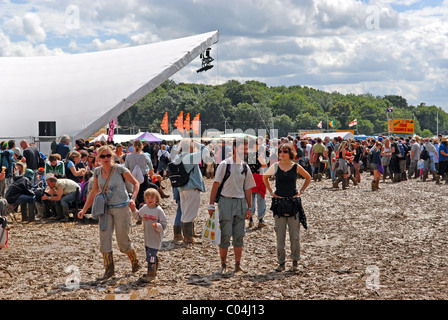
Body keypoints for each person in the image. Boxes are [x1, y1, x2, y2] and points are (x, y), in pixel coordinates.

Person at [78, 145, 141, 280]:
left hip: (121, 208)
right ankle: (109, 270)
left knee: (123, 240)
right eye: (103, 156)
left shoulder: (120, 169)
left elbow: (136, 183)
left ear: (113, 156)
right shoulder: (97, 172)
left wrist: (133, 199)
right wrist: (84, 209)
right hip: (105, 209)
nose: (106, 158)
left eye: (108, 156)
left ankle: (135, 262)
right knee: (104, 239)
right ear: (98, 158)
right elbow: (94, 191)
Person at [208, 138, 256, 274]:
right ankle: (223, 265)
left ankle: (237, 265)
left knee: (239, 236)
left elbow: (248, 188)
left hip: (241, 203)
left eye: (246, 149)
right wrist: (211, 205)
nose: (245, 151)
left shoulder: (245, 167)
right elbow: (216, 184)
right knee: (225, 235)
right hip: (226, 202)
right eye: (243, 148)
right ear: (235, 148)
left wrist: (250, 207)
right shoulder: (225, 164)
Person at [262, 142, 311, 272]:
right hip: (279, 204)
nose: (281, 154)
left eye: (284, 151)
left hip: (293, 204)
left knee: (295, 235)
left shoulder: (296, 167)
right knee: (280, 236)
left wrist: (301, 191)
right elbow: (265, 177)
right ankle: (281, 262)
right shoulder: (275, 166)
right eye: (280, 151)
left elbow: (308, 177)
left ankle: (295, 260)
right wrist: (271, 191)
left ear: (290, 154)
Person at [172, 139, 206, 243]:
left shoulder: (178, 157)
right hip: (191, 188)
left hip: (182, 188)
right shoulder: (189, 157)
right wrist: (198, 144)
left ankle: (187, 235)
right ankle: (188, 237)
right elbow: (205, 151)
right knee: (190, 213)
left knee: (185, 212)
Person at [132, 188, 167, 281]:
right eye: (147, 198)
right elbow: (137, 216)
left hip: (155, 237)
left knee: (151, 256)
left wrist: (158, 225)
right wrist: (133, 209)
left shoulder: (159, 210)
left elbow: (164, 224)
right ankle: (153, 272)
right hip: (148, 237)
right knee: (150, 254)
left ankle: (151, 275)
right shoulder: (144, 208)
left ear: (157, 199)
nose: (150, 200)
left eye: (152, 197)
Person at [125, 139, 156, 209]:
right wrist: (151, 174)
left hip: (132, 177)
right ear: (142, 146)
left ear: (133, 146)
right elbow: (151, 166)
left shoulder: (129, 156)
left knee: (134, 193)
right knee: (143, 193)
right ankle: (142, 209)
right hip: (143, 177)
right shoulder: (144, 155)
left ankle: (135, 209)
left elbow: (126, 168)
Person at [247, 138, 268, 229]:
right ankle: (260, 220)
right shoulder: (258, 154)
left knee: (250, 200)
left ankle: (250, 219)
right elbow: (264, 165)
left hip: (249, 178)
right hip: (258, 177)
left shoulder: (245, 155)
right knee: (260, 199)